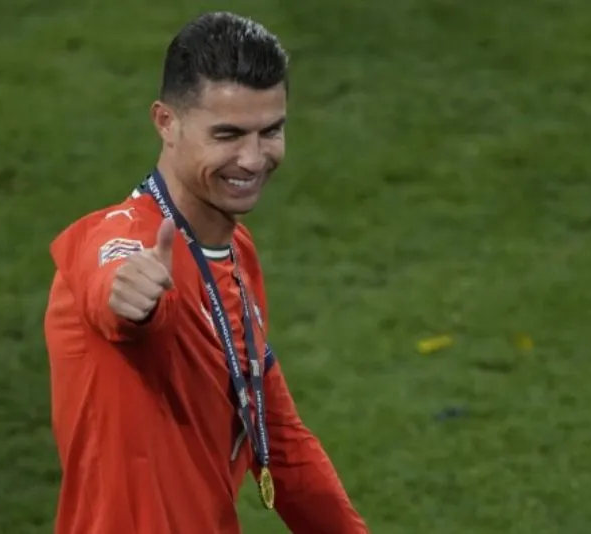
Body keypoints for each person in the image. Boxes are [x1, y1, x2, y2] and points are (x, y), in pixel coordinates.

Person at [44, 11, 369, 534]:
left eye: (270, 131)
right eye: (227, 135)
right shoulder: (118, 239)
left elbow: (280, 437)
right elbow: (115, 289)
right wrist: (130, 301)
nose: (252, 159)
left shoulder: (236, 251)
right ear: (166, 123)